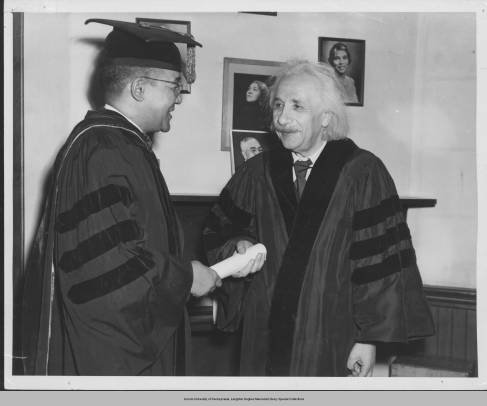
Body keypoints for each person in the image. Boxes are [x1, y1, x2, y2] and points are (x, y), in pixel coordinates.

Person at [204, 60, 435, 376]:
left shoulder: (363, 173)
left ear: (326, 117)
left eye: (297, 107)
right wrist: (238, 244)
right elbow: (219, 230)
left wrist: (369, 340)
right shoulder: (256, 172)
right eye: (279, 105)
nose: (283, 118)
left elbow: (379, 267)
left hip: (330, 334)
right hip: (264, 331)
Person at [21, 18, 222, 376]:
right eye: (175, 85)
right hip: (110, 357)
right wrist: (185, 277)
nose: (180, 96)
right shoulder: (102, 150)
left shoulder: (120, 146)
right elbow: (109, 267)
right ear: (140, 89)